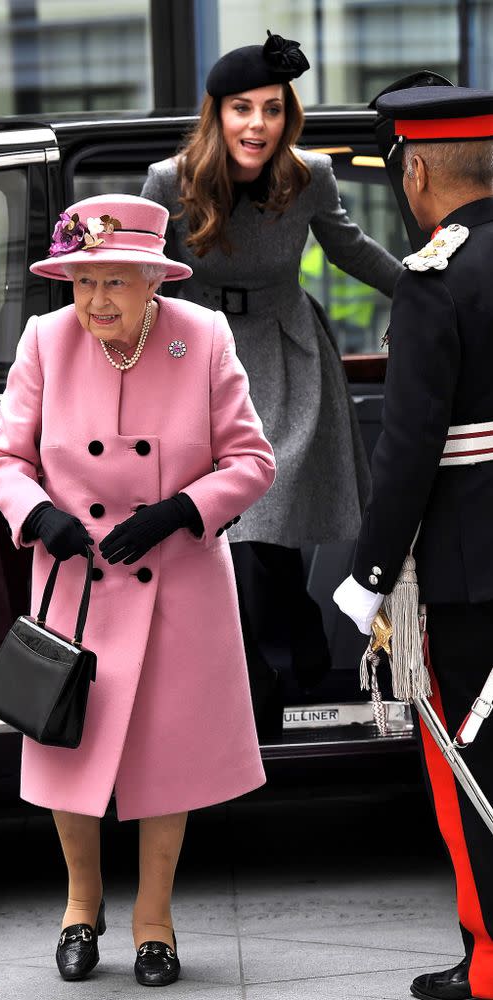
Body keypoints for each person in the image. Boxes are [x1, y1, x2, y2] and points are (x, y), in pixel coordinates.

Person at [0, 193, 276, 987]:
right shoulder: (45, 338)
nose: (95, 301)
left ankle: (154, 920)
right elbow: (2, 460)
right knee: (66, 747)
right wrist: (42, 517)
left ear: (153, 281)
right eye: (82, 282)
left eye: (115, 282)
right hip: (75, 586)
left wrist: (183, 508)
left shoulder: (201, 335)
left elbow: (251, 463)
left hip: (174, 582)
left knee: (164, 757)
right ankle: (81, 905)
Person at [140, 30, 403, 731]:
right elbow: (142, 278)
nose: (257, 124)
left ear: (288, 117)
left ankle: (278, 672)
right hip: (195, 360)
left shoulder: (309, 174)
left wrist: (433, 289)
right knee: (233, 530)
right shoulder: (171, 182)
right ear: (215, 115)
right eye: (241, 109)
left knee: (264, 524)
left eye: (273, 109)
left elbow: (350, 247)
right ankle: (268, 672)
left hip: (286, 354)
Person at [333, 85, 493, 1000]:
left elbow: (407, 453)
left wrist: (365, 580)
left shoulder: (436, 280)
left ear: (417, 169)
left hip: (475, 576)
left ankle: (491, 963)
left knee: (474, 777)